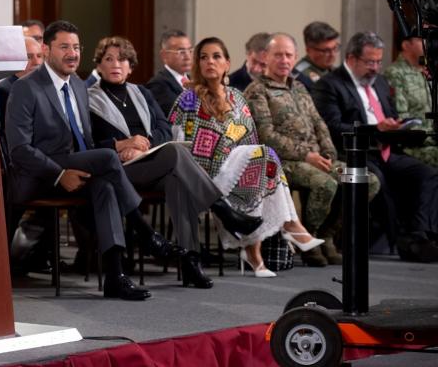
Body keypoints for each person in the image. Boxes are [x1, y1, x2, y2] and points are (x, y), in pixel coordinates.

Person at [5, 21, 178, 300]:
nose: (72, 54)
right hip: (40, 177)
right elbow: (20, 149)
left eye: (76, 47)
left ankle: (115, 276)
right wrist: (61, 175)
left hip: (77, 167)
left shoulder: (78, 84)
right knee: (108, 158)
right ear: (46, 49)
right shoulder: (26, 88)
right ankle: (145, 233)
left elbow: (87, 142)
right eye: (64, 47)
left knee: (106, 186)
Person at [87, 36, 260, 288]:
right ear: (99, 66)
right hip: (116, 170)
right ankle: (223, 210)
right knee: (176, 154)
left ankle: (190, 261)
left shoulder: (141, 92)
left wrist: (142, 143)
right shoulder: (89, 97)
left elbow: (164, 129)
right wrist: (121, 145)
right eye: (109, 59)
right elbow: (87, 142)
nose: (116, 64)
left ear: (131, 66)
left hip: (147, 161)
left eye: (122, 59)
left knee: (177, 179)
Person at [169, 37, 323, 277]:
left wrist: (245, 160)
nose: (210, 61)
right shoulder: (188, 99)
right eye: (203, 57)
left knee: (261, 164)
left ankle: (256, 250)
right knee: (263, 156)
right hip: (202, 175)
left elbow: (250, 138)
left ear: (227, 64)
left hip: (238, 170)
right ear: (197, 65)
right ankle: (289, 226)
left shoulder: (237, 98)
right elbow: (180, 145)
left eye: (216, 56)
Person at [244, 34, 380, 267]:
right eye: (278, 55)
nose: (284, 60)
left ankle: (326, 235)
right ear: (266, 57)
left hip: (316, 158)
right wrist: (307, 155)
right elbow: (267, 136)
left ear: (296, 57)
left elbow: (319, 123)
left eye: (289, 55)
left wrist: (328, 153)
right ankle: (306, 239)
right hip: (281, 161)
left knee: (366, 181)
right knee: (325, 184)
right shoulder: (258, 91)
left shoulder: (299, 87)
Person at [312, 31, 438, 262]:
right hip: (356, 153)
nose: (376, 68)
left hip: (386, 150)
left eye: (379, 62)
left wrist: (396, 124)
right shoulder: (330, 85)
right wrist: (375, 129)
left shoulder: (378, 82)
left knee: (427, 174)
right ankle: (398, 240)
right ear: (351, 59)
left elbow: (389, 115)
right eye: (370, 62)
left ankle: (419, 236)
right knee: (380, 181)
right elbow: (332, 126)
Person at [383, 34, 438, 167]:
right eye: (421, 39)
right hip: (413, 146)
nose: (427, 42)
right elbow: (402, 119)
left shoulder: (428, 71)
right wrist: (431, 136)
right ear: (406, 45)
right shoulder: (395, 73)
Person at [146, 30, 194, 116]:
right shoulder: (158, 84)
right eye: (181, 52)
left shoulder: (193, 80)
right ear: (164, 55)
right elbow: (176, 115)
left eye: (190, 50)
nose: (188, 57)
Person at [295, 21, 340, 85]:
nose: (332, 54)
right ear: (309, 50)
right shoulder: (300, 77)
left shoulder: (333, 70)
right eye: (326, 51)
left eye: (335, 48)